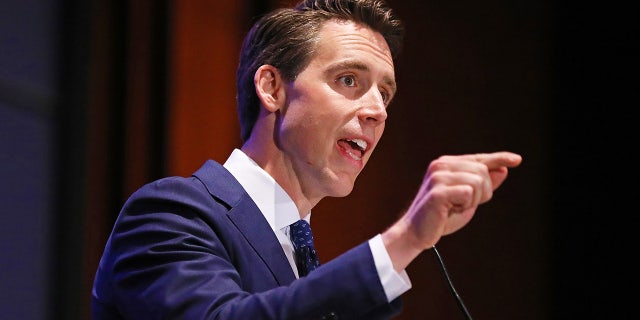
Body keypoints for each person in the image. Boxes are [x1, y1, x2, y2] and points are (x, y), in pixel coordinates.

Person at [91, 0, 523, 319]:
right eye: (349, 79)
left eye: (385, 93)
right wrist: (407, 238)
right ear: (273, 88)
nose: (378, 111)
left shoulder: (303, 262)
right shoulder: (172, 213)